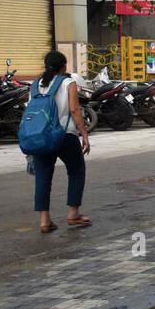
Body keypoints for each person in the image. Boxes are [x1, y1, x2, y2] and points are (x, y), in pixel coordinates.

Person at [31, 51, 91, 233]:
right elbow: (74, 110)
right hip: (65, 135)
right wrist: (84, 134)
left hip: (40, 136)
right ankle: (73, 213)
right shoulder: (68, 83)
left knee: (43, 177)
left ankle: (44, 220)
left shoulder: (35, 85)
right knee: (76, 171)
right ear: (64, 66)